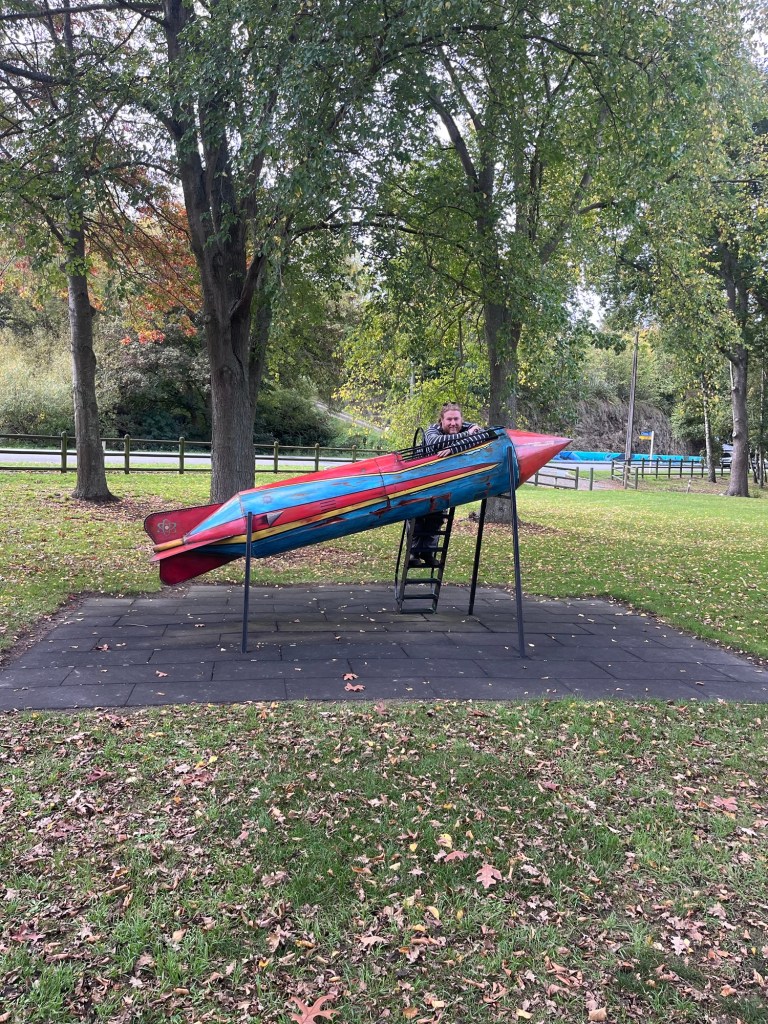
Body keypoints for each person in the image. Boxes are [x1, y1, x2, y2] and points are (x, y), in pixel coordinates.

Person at [409, 402, 483, 568]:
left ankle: (428, 552)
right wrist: (466, 437)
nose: (453, 423)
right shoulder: (432, 430)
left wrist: (453, 448)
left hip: (443, 482)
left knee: (437, 518)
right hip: (421, 479)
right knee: (418, 517)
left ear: (462, 419)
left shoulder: (469, 427)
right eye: (449, 419)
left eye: (456, 419)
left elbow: (481, 436)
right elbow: (435, 442)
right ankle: (413, 552)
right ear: (441, 420)